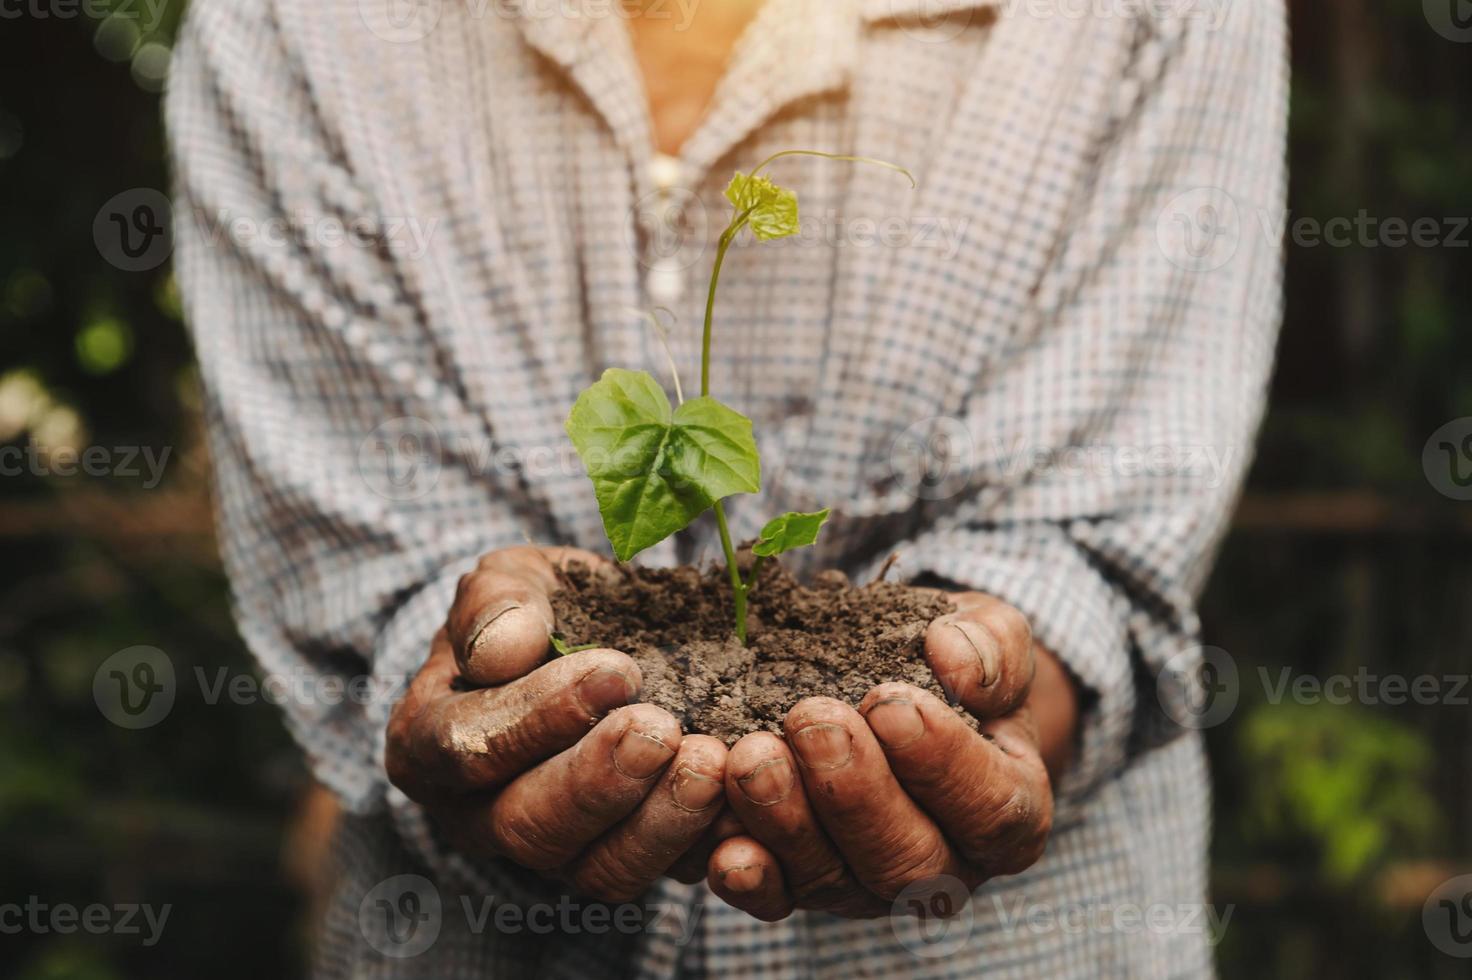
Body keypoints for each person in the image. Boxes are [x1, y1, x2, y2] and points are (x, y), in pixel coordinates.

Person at [167, 0, 1286, 976]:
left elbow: (1097, 544)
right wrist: (470, 688)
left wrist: (992, 689)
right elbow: (373, 578)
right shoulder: (295, 25)